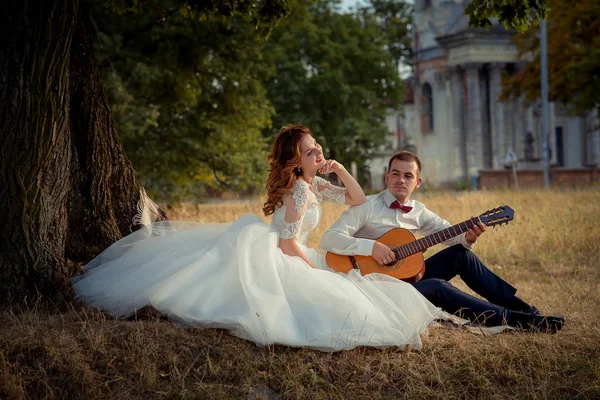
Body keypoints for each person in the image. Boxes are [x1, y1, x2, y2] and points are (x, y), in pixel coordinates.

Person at [72, 125, 449, 351]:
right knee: (331, 293)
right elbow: (287, 246)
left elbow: (355, 199)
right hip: (282, 251)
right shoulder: (300, 190)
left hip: (291, 245)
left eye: (318, 146)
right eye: (310, 151)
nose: (318, 152)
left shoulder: (312, 182)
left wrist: (339, 170)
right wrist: (318, 271)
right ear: (295, 159)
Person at [321, 151, 565, 333]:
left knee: (461, 254)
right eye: (395, 174)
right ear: (387, 177)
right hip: (376, 292)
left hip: (406, 283)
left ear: (418, 183)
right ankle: (515, 320)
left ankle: (524, 309)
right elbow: (329, 238)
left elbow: (448, 232)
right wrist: (371, 246)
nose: (401, 180)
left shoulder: (419, 211)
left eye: (408, 176)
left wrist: (468, 237)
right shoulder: (367, 206)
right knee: (437, 286)